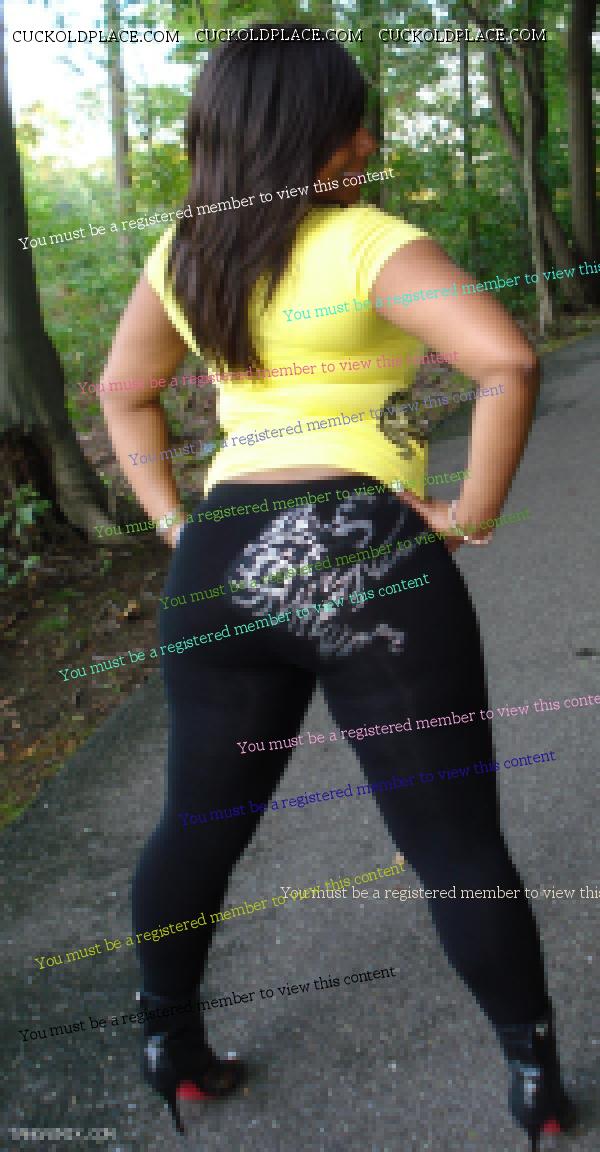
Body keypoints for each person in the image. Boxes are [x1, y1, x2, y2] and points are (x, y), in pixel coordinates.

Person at [99, 23, 576, 1147]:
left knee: (197, 824)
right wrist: (471, 516)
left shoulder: (183, 253)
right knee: (453, 843)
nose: (370, 142)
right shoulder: (370, 241)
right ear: (311, 135)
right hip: (364, 555)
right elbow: (505, 360)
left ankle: (171, 1046)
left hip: (221, 563)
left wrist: (173, 524)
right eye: (357, 123)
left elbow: (124, 390)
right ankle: (535, 1083)